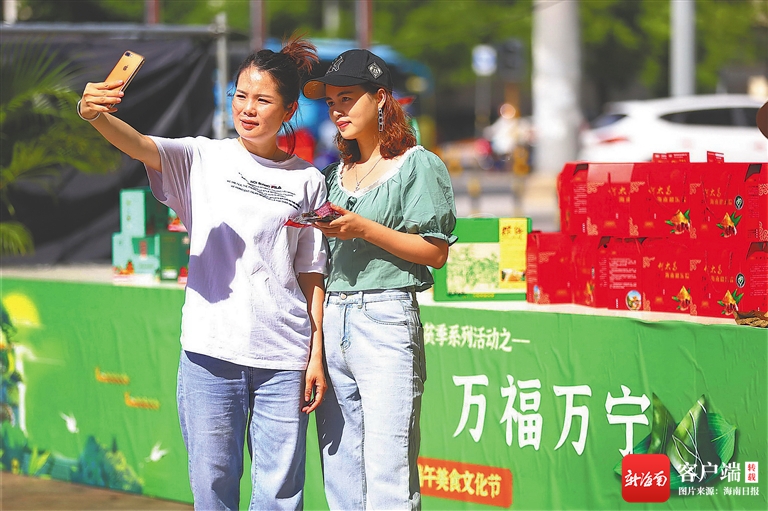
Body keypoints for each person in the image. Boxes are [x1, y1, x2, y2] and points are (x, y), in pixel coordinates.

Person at [78, 37, 328, 511]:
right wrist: (94, 114)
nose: (247, 109)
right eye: (240, 95)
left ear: (289, 109)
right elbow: (139, 145)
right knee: (212, 486)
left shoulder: (308, 180)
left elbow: (311, 273)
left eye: (262, 100)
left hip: (284, 357)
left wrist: (315, 353)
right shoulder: (201, 157)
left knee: (279, 494)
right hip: (210, 353)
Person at [303, 49, 458, 510]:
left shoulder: (417, 164)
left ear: (381, 98)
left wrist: (362, 228)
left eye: (348, 98)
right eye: (331, 102)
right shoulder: (331, 175)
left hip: (387, 317)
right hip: (333, 318)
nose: (338, 111)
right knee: (341, 472)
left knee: (389, 472)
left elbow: (435, 252)